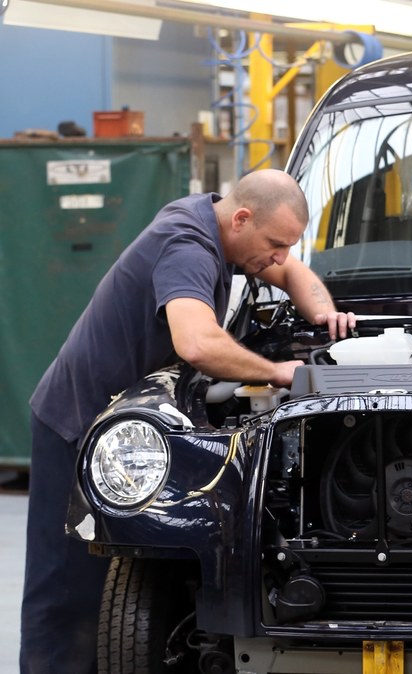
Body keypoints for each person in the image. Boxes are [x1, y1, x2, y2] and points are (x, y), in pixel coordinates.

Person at [20, 169, 356, 673]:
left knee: (117, 585)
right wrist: (279, 372)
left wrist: (326, 316)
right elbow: (196, 343)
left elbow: (292, 273)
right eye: (275, 243)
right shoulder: (188, 245)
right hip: (81, 427)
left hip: (133, 433)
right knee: (69, 600)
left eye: (288, 244)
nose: (280, 257)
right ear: (241, 218)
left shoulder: (222, 223)